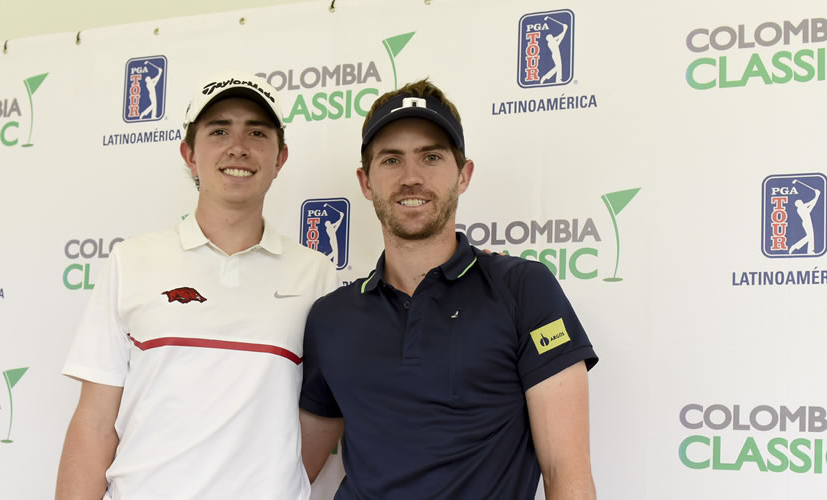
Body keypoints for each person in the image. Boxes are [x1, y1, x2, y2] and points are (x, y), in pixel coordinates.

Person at [299, 79, 598, 499]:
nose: (411, 177)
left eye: (431, 157)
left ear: (463, 175)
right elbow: (295, 470)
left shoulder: (524, 290)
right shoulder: (330, 317)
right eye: (391, 160)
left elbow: (566, 473)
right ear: (365, 183)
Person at [55, 72, 337, 500]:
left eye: (257, 132)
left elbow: (320, 419)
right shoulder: (132, 260)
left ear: (280, 158)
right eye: (219, 130)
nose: (237, 146)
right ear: (189, 154)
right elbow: (94, 421)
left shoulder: (315, 274)